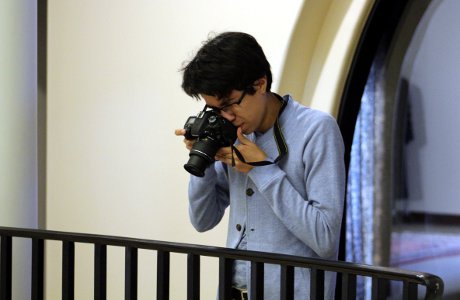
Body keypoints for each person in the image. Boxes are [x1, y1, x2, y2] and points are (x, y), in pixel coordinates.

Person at [175, 31, 345, 300]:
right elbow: (203, 220)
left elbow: (324, 238)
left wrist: (261, 168)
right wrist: (203, 157)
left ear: (260, 84)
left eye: (231, 104)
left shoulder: (317, 129)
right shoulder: (236, 131)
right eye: (216, 110)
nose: (227, 117)